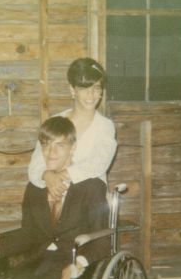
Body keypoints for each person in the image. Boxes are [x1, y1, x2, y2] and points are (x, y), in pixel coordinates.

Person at [0, 116, 110, 279]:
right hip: (36, 264)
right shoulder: (35, 188)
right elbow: (28, 233)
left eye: (60, 145)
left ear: (73, 148)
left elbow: (102, 240)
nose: (51, 152)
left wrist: (80, 263)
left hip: (71, 268)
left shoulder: (92, 187)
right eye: (46, 144)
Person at [28, 58, 117, 200]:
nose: (91, 95)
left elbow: (98, 163)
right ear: (72, 89)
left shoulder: (105, 126)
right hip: (54, 200)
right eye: (84, 88)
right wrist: (47, 176)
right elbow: (35, 165)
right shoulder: (54, 122)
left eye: (96, 88)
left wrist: (61, 176)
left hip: (88, 203)